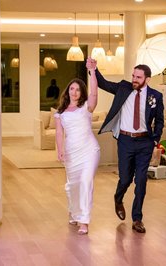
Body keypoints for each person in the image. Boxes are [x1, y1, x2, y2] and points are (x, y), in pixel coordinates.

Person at [87, 59, 164, 233]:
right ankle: (118, 197)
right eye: (133, 76)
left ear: (147, 79)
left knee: (141, 180)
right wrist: (94, 69)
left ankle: (137, 218)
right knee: (126, 178)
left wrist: (154, 140)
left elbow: (159, 121)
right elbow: (104, 84)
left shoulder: (155, 97)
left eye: (138, 77)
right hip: (125, 141)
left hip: (145, 142)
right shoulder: (124, 88)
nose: (134, 79)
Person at [54, 60, 100, 235]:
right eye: (72, 89)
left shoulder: (86, 108)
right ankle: (74, 212)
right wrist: (60, 150)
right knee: (73, 185)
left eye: (78, 89)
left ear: (82, 93)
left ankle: (84, 221)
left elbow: (94, 93)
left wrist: (92, 71)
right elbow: (59, 133)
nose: (74, 92)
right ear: (68, 91)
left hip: (89, 150)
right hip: (71, 152)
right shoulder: (60, 113)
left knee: (86, 181)